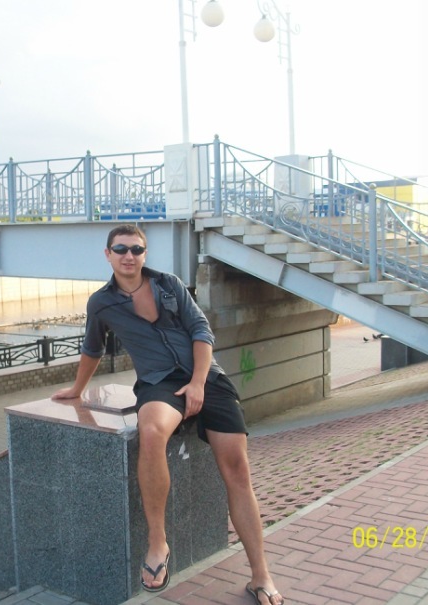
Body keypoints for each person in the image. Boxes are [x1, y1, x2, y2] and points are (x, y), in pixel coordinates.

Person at [52, 224, 284, 605]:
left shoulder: (169, 284)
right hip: (158, 383)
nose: (129, 256)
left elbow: (202, 333)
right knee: (151, 431)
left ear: (145, 254)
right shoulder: (101, 303)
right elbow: (93, 349)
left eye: (136, 249)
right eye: (121, 249)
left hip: (206, 377)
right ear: (108, 255)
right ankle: (158, 542)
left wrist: (198, 384)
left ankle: (261, 575)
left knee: (238, 470)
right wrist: (77, 390)